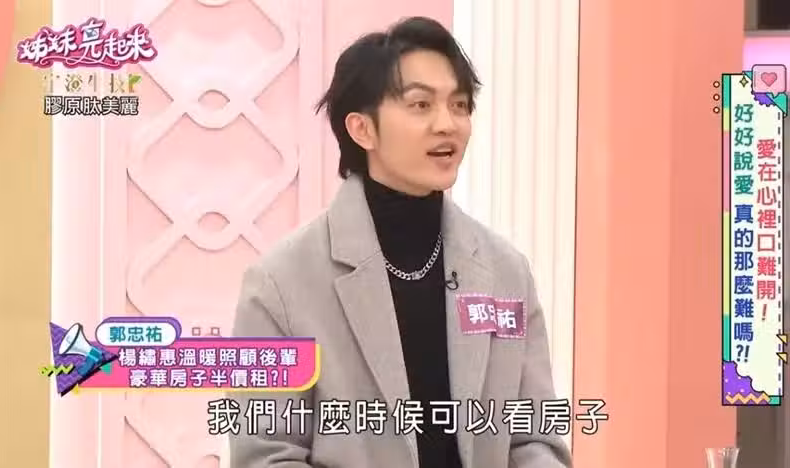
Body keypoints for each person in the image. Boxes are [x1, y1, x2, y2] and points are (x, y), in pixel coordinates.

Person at [229, 16, 572, 468]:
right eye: (420, 105)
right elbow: (266, 456)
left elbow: (535, 440)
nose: (448, 124)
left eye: (460, 105)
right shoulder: (280, 285)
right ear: (362, 129)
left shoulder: (507, 271)